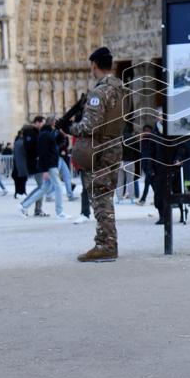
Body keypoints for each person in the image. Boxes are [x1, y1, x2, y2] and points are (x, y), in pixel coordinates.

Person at [67, 47, 126, 261]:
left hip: (100, 151)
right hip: (115, 148)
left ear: (94, 65)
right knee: (106, 196)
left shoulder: (99, 92)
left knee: (100, 198)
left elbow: (89, 126)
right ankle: (107, 242)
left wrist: (70, 128)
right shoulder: (121, 89)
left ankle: (106, 244)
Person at [18, 118, 67, 218]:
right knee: (56, 187)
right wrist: (44, 169)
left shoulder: (47, 134)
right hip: (47, 165)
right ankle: (59, 212)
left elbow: (55, 145)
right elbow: (43, 152)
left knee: (44, 188)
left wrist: (62, 135)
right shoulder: (43, 134)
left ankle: (25, 205)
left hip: (49, 164)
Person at [12, 128, 29, 198]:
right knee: (22, 179)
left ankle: (18, 192)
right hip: (22, 164)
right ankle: (22, 191)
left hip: (17, 163)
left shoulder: (17, 142)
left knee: (18, 179)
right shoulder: (22, 142)